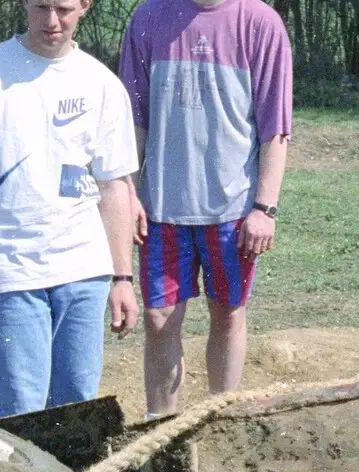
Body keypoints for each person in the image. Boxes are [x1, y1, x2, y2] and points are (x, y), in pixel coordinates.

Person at [0, 0, 140, 418]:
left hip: (84, 271)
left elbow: (114, 186)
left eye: (63, 8)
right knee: (21, 407)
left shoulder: (102, 84)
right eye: (40, 6)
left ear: (85, 6)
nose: (51, 21)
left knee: (79, 403)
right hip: (10, 270)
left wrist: (122, 278)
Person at [118, 0, 293, 415]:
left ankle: (221, 417)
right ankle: (159, 427)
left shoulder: (260, 23)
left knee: (228, 314)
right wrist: (127, 193)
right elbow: (132, 121)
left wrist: (264, 208)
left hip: (233, 210)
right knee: (159, 320)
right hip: (161, 208)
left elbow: (275, 128)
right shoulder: (147, 18)